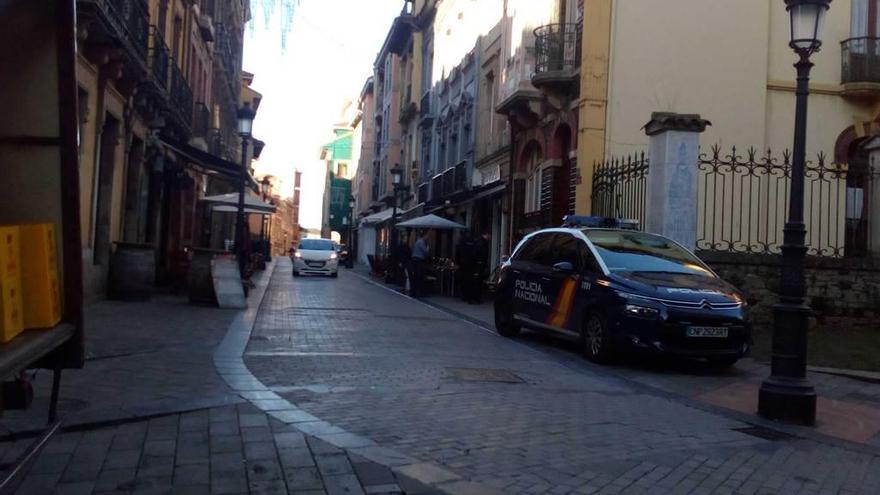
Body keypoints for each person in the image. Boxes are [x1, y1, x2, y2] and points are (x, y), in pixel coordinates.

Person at [467, 232, 490, 304]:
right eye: (489, 235)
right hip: (478, 265)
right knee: (477, 283)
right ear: (486, 234)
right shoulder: (481, 243)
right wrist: (479, 262)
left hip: (477, 265)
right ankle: (475, 298)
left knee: (476, 282)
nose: (490, 237)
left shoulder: (479, 242)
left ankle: (474, 298)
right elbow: (480, 253)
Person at [455, 232, 475, 301]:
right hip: (470, 265)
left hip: (462, 265)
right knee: (468, 281)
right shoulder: (472, 244)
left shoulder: (460, 244)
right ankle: (468, 296)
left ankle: (463, 295)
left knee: (463, 280)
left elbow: (457, 254)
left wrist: (457, 263)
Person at [410, 230, 430, 297]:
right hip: (419, 261)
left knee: (416, 276)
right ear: (424, 235)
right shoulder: (421, 242)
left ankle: (415, 292)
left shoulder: (418, 241)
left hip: (415, 260)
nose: (427, 237)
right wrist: (428, 248)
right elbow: (425, 252)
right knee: (419, 276)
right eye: (427, 236)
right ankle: (418, 292)